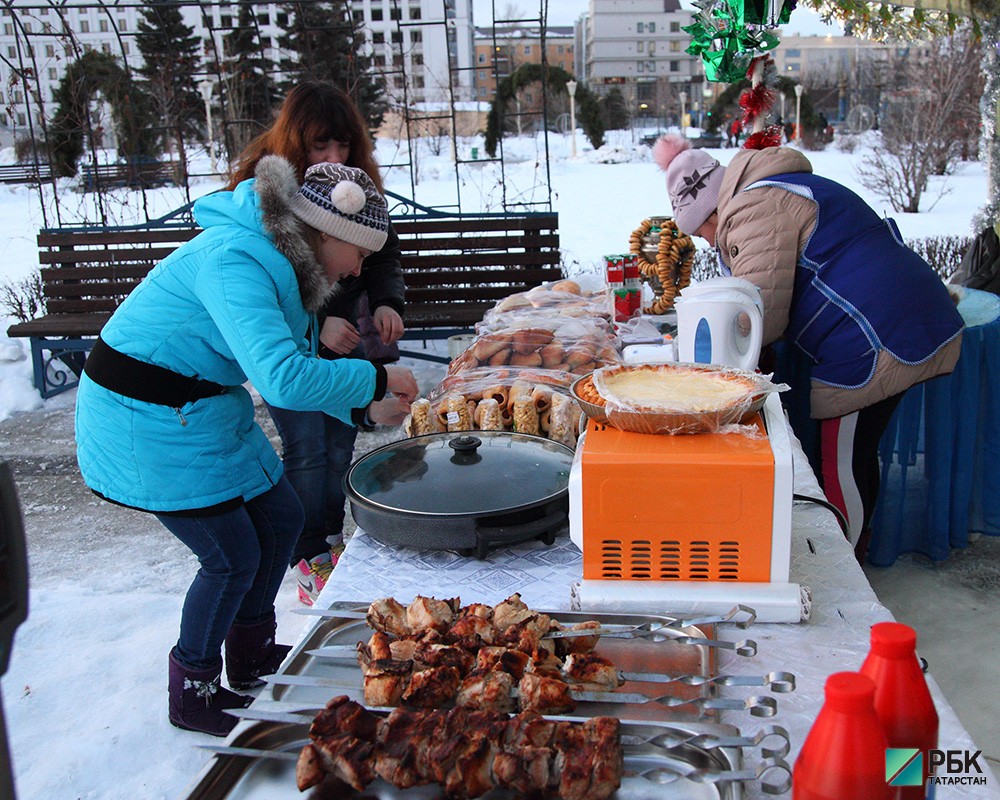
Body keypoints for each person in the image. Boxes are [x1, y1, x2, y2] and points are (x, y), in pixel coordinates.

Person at [74, 157, 418, 736]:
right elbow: (282, 377)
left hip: (200, 410)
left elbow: (299, 367)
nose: (361, 267)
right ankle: (194, 689)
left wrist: (360, 405)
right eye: (358, 251)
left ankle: (252, 654)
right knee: (231, 555)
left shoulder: (288, 265)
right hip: (142, 419)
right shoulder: (237, 261)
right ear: (327, 233)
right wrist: (374, 382)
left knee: (281, 518)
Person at [652, 135, 964, 561]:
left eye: (702, 229)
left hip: (871, 337)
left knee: (841, 459)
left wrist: (711, 372)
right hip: (901, 318)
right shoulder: (777, 187)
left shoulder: (751, 209)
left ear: (710, 207)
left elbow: (760, 313)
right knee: (857, 450)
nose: (708, 241)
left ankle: (844, 565)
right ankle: (859, 542)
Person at [228, 82, 406, 605]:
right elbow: (271, 283)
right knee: (308, 449)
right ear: (294, 143)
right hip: (295, 342)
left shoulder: (356, 187)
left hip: (348, 336)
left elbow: (380, 257)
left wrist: (385, 301)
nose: (333, 158)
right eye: (319, 146)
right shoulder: (266, 196)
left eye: (343, 146)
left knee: (340, 441)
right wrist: (313, 324)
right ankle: (309, 558)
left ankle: (328, 543)